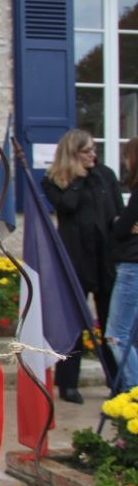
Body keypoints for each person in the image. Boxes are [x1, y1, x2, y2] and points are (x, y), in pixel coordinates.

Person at [42, 128, 123, 404]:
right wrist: (77, 179)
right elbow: (67, 206)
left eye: (94, 149)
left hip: (106, 259)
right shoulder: (54, 181)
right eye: (87, 151)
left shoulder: (105, 175)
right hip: (75, 262)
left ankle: (118, 380)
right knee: (74, 324)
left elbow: (116, 212)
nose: (93, 155)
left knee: (112, 323)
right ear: (73, 154)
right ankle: (68, 383)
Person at [106, 138, 138, 392]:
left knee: (116, 335)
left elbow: (120, 228)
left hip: (132, 267)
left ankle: (133, 391)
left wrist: (119, 221)